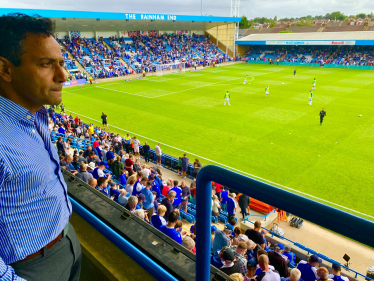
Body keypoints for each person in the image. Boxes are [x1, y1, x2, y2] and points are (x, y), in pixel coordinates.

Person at [0, 13, 82, 281]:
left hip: (67, 241)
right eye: (47, 64)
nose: (64, 75)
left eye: (61, 63)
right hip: (31, 268)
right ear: (5, 70)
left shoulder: (34, 113)